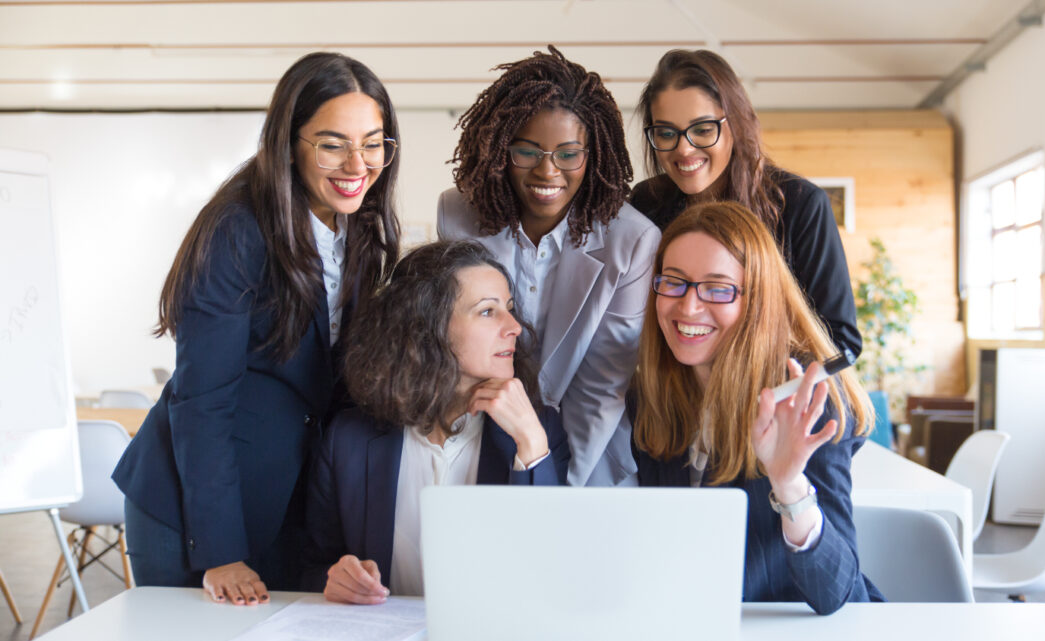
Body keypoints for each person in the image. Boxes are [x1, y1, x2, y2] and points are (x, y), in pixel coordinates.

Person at [112, 52, 401, 605]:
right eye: (333, 143)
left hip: (285, 499)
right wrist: (220, 552)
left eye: (373, 142)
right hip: (193, 510)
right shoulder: (238, 230)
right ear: (289, 144)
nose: (357, 163)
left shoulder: (357, 231)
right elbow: (202, 401)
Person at [631, 200, 882, 615]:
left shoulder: (808, 399)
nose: (688, 307)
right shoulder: (650, 394)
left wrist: (789, 486)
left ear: (759, 299)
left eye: (718, 289)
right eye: (673, 282)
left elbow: (837, 595)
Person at [437, 46, 659, 487]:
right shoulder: (457, 214)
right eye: (528, 151)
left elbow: (601, 386)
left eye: (568, 154)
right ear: (502, 147)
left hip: (588, 458)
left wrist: (553, 484)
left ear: (592, 155)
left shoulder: (632, 241)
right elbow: (451, 346)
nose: (547, 171)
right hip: (478, 433)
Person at [303, 240, 569, 603]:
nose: (515, 327)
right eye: (488, 312)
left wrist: (532, 446)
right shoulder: (348, 438)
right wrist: (334, 579)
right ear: (427, 326)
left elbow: (551, 578)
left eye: (509, 308)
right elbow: (313, 563)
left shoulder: (540, 432)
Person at [631, 49, 861, 359]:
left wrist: (758, 394)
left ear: (736, 124)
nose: (683, 148)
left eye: (702, 129)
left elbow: (840, 342)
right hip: (674, 398)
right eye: (666, 133)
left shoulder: (800, 204)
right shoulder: (646, 205)